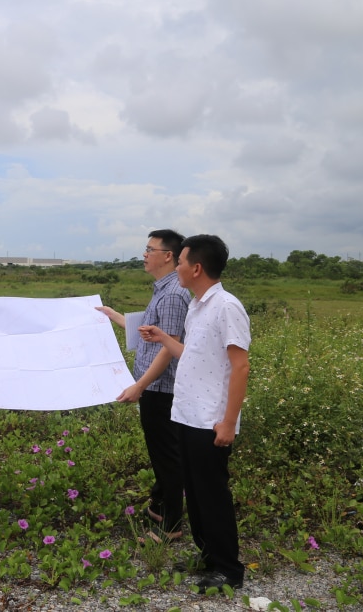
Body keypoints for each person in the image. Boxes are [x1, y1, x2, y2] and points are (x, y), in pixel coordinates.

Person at [140, 234, 250, 591]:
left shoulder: (226, 306)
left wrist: (229, 422)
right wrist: (162, 337)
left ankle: (228, 570)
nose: (179, 268)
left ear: (196, 268)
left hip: (211, 421)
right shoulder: (197, 306)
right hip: (187, 415)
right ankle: (207, 555)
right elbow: (193, 354)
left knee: (213, 495)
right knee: (198, 496)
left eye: (183, 262)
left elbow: (241, 366)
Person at [97, 229, 189, 541]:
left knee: (167, 456)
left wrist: (140, 386)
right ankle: (161, 504)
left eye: (150, 249)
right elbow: (148, 332)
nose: (144, 255)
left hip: (161, 388)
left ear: (168, 256)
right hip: (153, 386)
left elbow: (169, 346)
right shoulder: (163, 289)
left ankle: (172, 525)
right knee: (162, 451)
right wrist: (112, 315)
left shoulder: (175, 294)